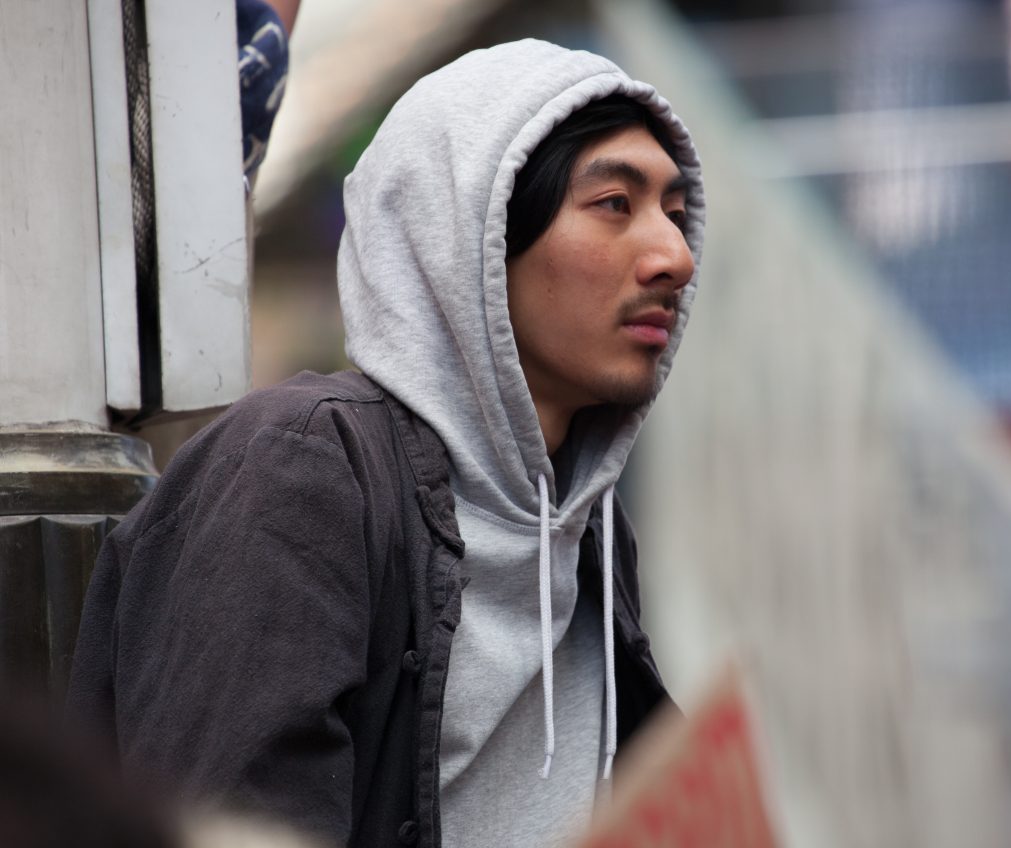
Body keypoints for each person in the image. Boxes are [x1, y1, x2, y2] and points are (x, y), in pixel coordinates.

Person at [67, 38, 705, 848]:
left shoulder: (591, 528)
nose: (675, 258)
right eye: (614, 203)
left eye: (676, 215)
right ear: (470, 235)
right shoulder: (300, 468)